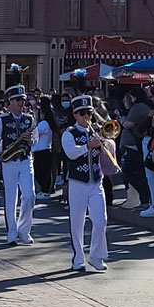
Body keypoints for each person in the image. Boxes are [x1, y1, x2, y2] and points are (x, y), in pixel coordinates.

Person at [0, 64, 38, 245]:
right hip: (9, 161)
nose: (21, 103)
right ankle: (11, 233)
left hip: (25, 160)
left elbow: (36, 140)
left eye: (22, 100)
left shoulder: (29, 119)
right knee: (11, 198)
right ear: (10, 102)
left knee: (29, 195)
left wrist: (29, 140)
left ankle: (24, 230)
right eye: (17, 100)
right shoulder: (2, 119)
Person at [62, 94, 109, 272]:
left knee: (100, 219)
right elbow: (71, 153)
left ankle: (96, 256)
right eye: (82, 113)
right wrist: (88, 146)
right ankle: (78, 258)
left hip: (96, 181)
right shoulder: (69, 133)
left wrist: (106, 144)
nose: (86, 117)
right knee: (77, 222)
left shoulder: (96, 131)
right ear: (75, 115)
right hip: (77, 182)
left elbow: (108, 149)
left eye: (89, 113)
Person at [119, 87, 153, 212]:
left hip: (132, 144)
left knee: (128, 171)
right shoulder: (144, 106)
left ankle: (143, 197)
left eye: (132, 97)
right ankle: (143, 198)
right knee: (138, 172)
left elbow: (128, 124)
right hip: (134, 143)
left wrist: (122, 120)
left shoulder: (138, 107)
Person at [33, 95, 58, 201]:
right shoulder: (48, 123)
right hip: (45, 150)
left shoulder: (43, 124)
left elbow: (35, 132)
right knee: (44, 171)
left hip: (41, 150)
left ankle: (44, 191)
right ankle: (45, 190)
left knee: (41, 172)